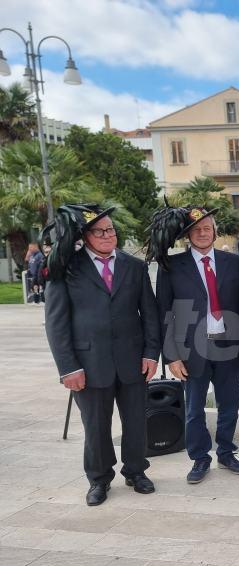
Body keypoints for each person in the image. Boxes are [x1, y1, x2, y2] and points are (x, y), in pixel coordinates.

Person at [44, 204, 160, 506]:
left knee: (136, 421)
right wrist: (68, 368)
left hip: (133, 361)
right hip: (88, 363)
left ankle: (136, 471)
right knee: (96, 425)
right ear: (86, 235)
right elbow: (56, 323)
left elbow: (149, 313)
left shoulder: (134, 267)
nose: (108, 235)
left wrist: (151, 353)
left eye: (111, 230)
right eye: (100, 231)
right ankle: (99, 478)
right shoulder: (67, 267)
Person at [150, 205, 239, 484]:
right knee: (194, 407)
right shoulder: (171, 266)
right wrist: (171, 356)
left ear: (214, 232)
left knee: (229, 403)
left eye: (207, 228)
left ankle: (227, 452)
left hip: (228, 345)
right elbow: (164, 314)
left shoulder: (235, 263)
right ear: (187, 235)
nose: (203, 233)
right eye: (196, 230)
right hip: (190, 349)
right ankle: (199, 458)